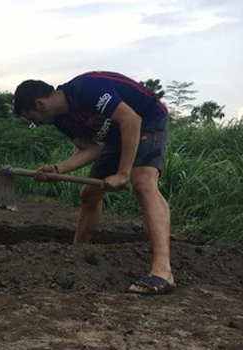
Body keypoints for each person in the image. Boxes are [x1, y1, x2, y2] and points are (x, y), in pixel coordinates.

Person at [13, 71, 174, 295]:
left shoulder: (86, 88)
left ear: (40, 104)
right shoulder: (62, 121)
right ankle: (78, 253)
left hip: (147, 120)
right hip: (117, 137)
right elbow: (92, 149)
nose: (36, 124)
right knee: (90, 193)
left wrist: (123, 173)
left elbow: (131, 119)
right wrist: (57, 168)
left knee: (142, 182)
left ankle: (163, 272)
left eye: (32, 119)